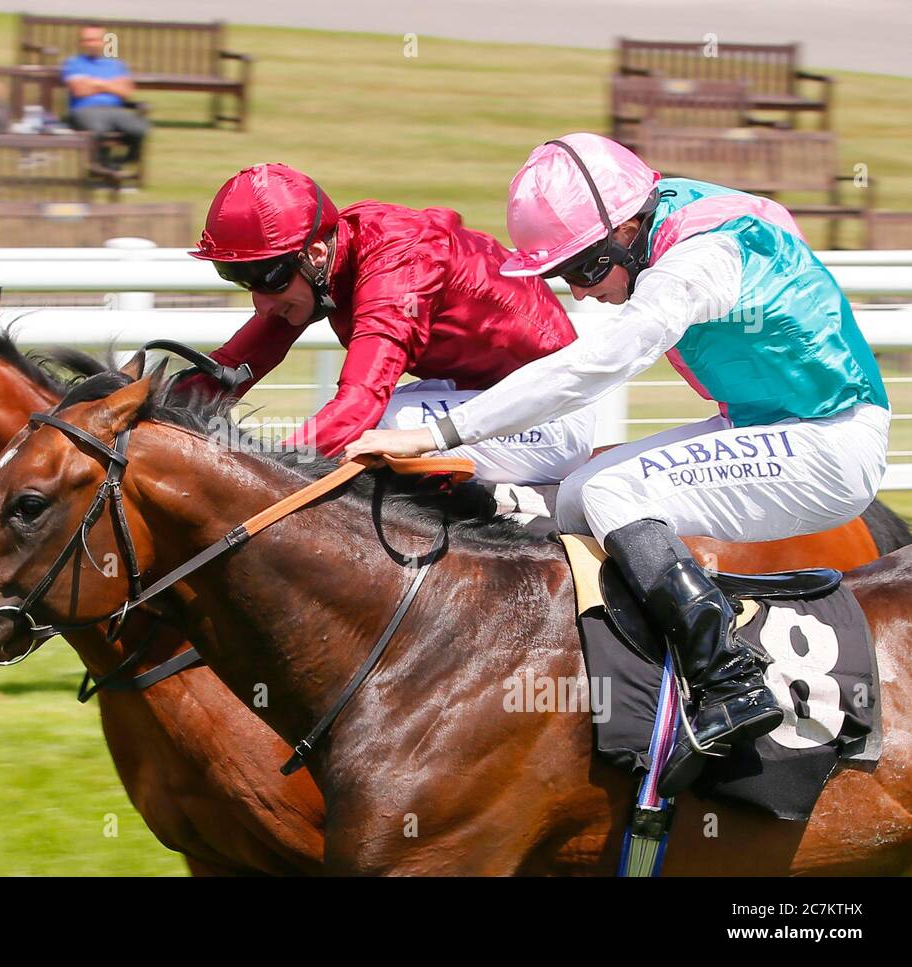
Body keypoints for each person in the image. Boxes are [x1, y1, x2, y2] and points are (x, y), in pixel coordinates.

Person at [343, 133, 890, 795]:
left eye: (588, 267)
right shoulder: (670, 217)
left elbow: (593, 369)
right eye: (563, 274)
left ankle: (729, 680)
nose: (581, 291)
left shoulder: (699, 259)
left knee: (614, 490)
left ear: (630, 227)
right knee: (575, 495)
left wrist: (439, 434)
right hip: (770, 424)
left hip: (829, 446)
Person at [181, 163, 594, 485]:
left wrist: (264, 477)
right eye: (236, 278)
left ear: (317, 253)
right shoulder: (326, 261)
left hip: (551, 418)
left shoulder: (399, 269)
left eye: (266, 277)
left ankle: (494, 515)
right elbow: (236, 365)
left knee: (382, 425)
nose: (261, 302)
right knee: (361, 428)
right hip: (488, 397)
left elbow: (361, 403)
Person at [61, 25, 149, 173]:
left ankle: (121, 161)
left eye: (95, 40)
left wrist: (94, 83)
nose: (91, 44)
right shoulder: (73, 63)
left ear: (103, 42)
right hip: (85, 110)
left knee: (139, 128)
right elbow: (79, 90)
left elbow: (126, 91)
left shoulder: (116, 65)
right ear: (81, 44)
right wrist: (111, 85)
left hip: (115, 110)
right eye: (86, 40)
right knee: (98, 129)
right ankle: (99, 166)